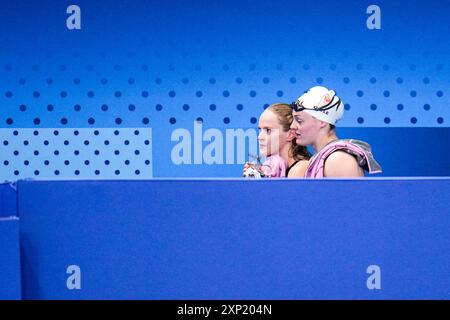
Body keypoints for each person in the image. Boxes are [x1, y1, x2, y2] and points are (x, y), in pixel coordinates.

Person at [289, 86, 382, 178]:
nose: (292, 126)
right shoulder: (320, 158)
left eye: (299, 120)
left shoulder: (338, 160)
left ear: (322, 122)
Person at [243, 103, 310, 178]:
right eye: (260, 130)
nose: (259, 137)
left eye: (268, 130)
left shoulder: (299, 169)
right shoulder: (270, 168)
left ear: (290, 135)